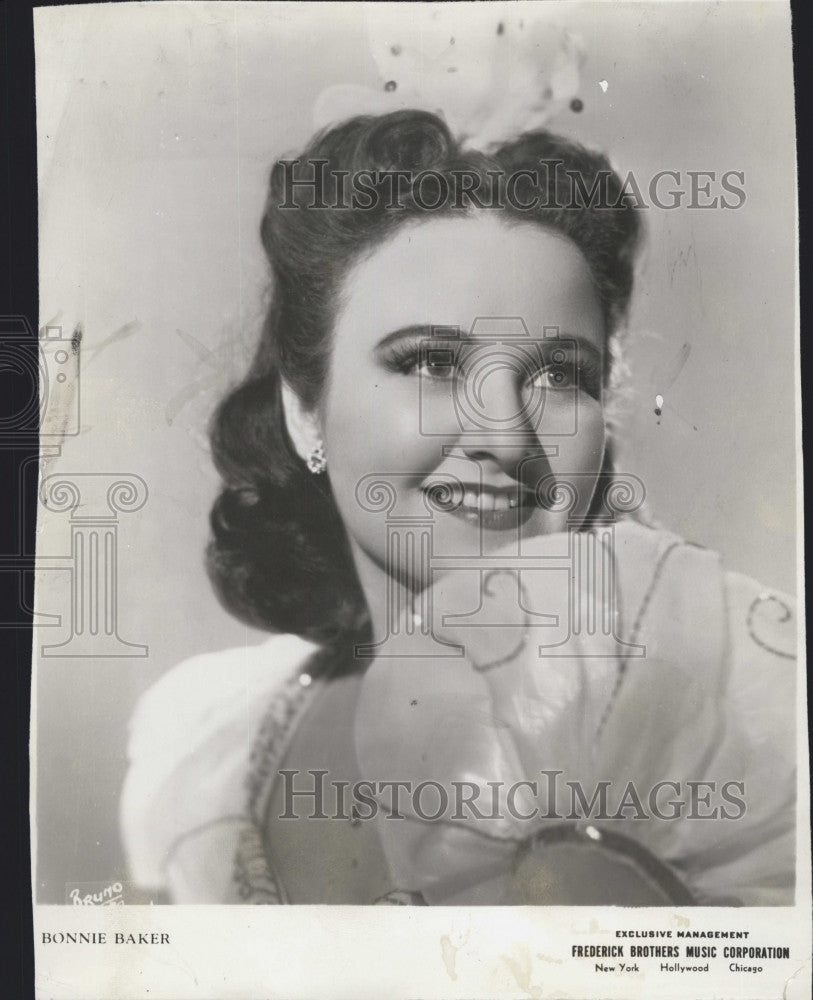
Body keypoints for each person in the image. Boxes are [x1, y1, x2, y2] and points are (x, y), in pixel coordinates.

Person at [121, 110, 796, 906]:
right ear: (306, 409)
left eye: (557, 377)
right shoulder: (205, 745)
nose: (505, 437)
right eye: (432, 362)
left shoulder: (736, 717)